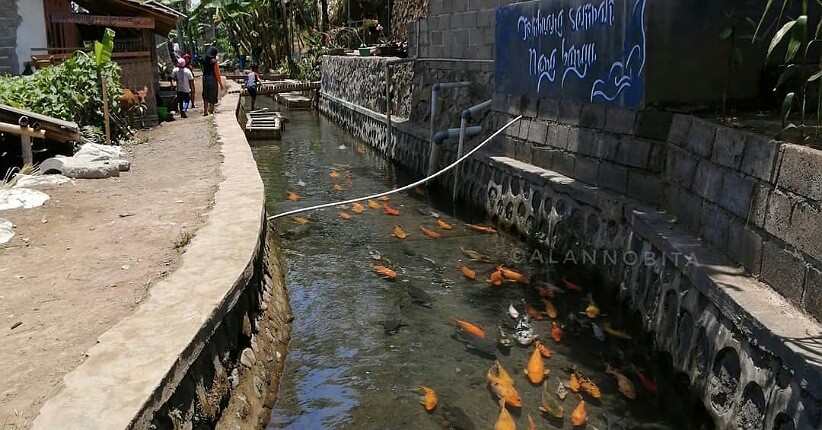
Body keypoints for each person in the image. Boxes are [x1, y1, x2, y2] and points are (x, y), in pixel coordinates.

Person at [201, 46, 223, 116]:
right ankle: (211, 111)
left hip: (205, 78)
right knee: (213, 94)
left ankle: (205, 111)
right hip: (212, 78)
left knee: (206, 95)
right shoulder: (214, 61)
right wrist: (220, 84)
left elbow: (203, 70)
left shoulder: (204, 60)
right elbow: (217, 73)